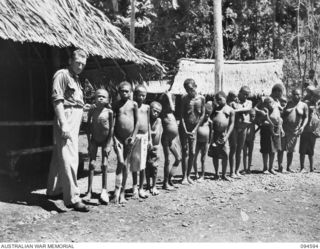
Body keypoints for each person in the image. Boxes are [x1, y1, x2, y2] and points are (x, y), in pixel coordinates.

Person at [46, 49, 90, 212]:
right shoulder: (62, 75)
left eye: (83, 64)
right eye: (77, 63)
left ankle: (54, 190)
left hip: (74, 115)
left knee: (60, 154)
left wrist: (82, 106)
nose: (80, 66)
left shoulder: (76, 78)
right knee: (70, 156)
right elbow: (57, 100)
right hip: (66, 116)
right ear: (70, 60)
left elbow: (73, 100)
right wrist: (63, 123)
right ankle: (72, 198)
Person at [84, 89, 113, 204]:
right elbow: (87, 126)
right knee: (92, 164)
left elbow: (111, 128)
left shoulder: (109, 112)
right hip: (94, 140)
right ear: (94, 99)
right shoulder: (92, 111)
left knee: (104, 164)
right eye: (98, 96)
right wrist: (89, 141)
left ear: (108, 99)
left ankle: (104, 190)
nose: (100, 98)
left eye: (103, 97)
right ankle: (89, 191)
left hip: (105, 140)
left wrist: (109, 143)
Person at [112, 81, 139, 204]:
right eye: (122, 91)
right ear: (119, 92)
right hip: (118, 139)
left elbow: (137, 122)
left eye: (127, 91)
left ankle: (122, 193)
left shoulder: (134, 105)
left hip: (129, 139)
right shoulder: (116, 105)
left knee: (126, 165)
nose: (124, 93)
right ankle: (116, 193)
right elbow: (113, 123)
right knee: (120, 163)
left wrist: (133, 137)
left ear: (130, 92)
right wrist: (113, 138)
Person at [179, 79, 205, 184]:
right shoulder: (184, 98)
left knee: (193, 152)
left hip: (194, 129)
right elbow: (181, 115)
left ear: (195, 86)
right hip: (185, 129)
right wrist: (185, 129)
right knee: (185, 151)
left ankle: (189, 175)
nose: (189, 91)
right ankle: (184, 176)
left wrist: (195, 129)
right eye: (187, 89)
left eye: (191, 88)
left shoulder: (201, 98)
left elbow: (202, 114)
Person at [278, 89, 308, 173]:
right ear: (292, 95)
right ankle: (280, 167)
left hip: (295, 131)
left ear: (301, 95)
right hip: (284, 129)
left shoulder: (304, 105)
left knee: (290, 150)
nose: (297, 96)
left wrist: (302, 126)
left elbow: (306, 117)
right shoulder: (287, 103)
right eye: (295, 94)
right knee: (281, 149)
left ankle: (289, 167)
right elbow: (281, 114)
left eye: (298, 94)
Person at [129, 85, 150, 199]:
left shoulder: (147, 107)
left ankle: (142, 188)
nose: (142, 97)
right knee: (134, 163)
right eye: (139, 95)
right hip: (135, 136)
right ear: (135, 95)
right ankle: (134, 187)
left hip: (145, 136)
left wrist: (150, 139)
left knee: (143, 164)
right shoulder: (133, 106)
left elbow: (149, 123)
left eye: (144, 95)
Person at [209, 91, 235, 181]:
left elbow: (231, 124)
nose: (219, 101)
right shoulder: (215, 109)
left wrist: (227, 136)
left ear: (226, 98)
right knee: (215, 154)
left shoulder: (230, 110)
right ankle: (216, 173)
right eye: (217, 100)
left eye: (221, 99)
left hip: (224, 135)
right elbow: (210, 119)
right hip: (215, 134)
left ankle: (224, 174)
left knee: (225, 154)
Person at [159, 91, 181, 190]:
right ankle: (165, 183)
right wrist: (168, 96)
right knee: (167, 160)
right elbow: (172, 107)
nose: (174, 104)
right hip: (166, 140)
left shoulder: (171, 114)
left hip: (172, 140)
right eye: (172, 102)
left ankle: (169, 179)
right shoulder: (164, 112)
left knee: (178, 158)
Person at [255, 94, 283, 175]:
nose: (270, 104)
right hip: (266, 130)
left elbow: (280, 119)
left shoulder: (276, 107)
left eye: (271, 102)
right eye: (268, 103)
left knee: (274, 149)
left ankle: (271, 168)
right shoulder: (263, 110)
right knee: (265, 150)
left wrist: (280, 128)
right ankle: (265, 168)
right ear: (265, 104)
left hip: (276, 129)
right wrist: (264, 122)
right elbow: (258, 120)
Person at [228, 86, 252, 178]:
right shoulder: (233, 102)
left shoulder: (249, 102)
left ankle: (237, 170)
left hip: (244, 128)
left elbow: (248, 109)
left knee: (240, 149)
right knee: (233, 148)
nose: (246, 96)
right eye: (244, 94)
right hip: (234, 127)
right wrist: (235, 108)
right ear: (240, 92)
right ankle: (231, 171)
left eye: (247, 95)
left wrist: (236, 110)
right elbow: (230, 109)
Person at [299, 95, 320, 173]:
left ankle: (311, 168)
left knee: (311, 151)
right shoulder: (306, 103)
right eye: (315, 97)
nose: (316, 98)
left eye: (317, 97)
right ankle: (302, 167)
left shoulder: (317, 106)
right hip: (305, 130)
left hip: (313, 132)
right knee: (303, 150)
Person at [146, 101, 163, 195]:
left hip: (156, 147)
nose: (156, 113)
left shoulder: (158, 120)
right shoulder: (147, 120)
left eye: (158, 112)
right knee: (147, 167)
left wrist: (148, 128)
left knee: (155, 167)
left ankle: (154, 186)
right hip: (148, 146)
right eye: (154, 111)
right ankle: (148, 185)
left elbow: (154, 132)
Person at [194, 101, 213, 181]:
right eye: (205, 113)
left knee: (203, 159)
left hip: (205, 142)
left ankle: (202, 175)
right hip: (197, 142)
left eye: (209, 114)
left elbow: (211, 132)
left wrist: (209, 143)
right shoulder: (198, 121)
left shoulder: (210, 122)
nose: (207, 115)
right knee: (194, 158)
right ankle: (195, 173)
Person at [243, 108, 256, 174]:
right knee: (245, 153)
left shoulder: (254, 123)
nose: (253, 117)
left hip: (251, 139)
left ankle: (249, 168)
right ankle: (245, 168)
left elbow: (260, 125)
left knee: (250, 153)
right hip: (245, 139)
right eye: (251, 116)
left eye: (254, 116)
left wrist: (255, 132)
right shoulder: (246, 122)